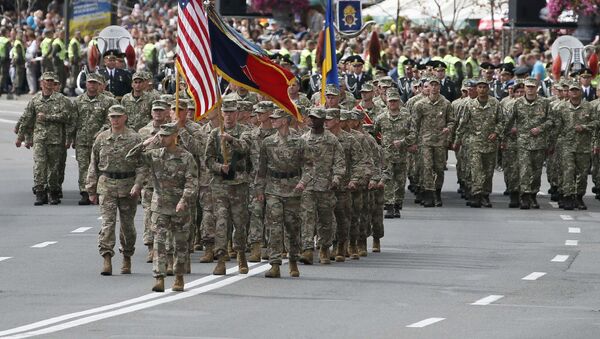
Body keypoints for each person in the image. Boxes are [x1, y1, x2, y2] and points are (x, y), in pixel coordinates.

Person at [127, 122, 198, 292]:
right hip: (159, 206)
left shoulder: (186, 157)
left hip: (179, 206)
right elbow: (130, 158)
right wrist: (145, 143)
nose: (162, 138)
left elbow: (192, 182)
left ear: (175, 136)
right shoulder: (155, 155)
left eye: (166, 135)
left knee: (180, 243)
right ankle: (159, 277)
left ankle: (179, 277)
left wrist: (184, 199)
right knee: (159, 242)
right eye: (161, 135)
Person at [86, 104, 143, 276]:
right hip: (107, 184)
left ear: (125, 117)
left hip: (128, 185)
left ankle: (127, 256)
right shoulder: (102, 138)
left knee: (127, 226)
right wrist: (91, 188)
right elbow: (93, 164)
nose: (115, 120)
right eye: (112, 117)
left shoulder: (134, 138)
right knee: (107, 224)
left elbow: (142, 165)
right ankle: (107, 258)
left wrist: (138, 184)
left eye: (118, 116)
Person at [255, 109, 309, 277]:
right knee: (274, 227)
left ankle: (293, 260)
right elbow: (261, 168)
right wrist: (259, 188)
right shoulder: (268, 142)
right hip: (273, 189)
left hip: (293, 189)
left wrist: (303, 182)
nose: (272, 121)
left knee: (292, 227)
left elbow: (309, 166)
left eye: (276, 118)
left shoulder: (299, 142)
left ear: (285, 120)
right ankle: (275, 264)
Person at [204, 99, 251, 275]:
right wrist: (218, 168)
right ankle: (221, 258)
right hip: (220, 184)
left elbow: (246, 148)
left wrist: (231, 140)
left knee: (240, 222)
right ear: (221, 114)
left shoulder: (244, 132)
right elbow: (207, 159)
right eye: (226, 112)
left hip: (238, 183)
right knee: (221, 221)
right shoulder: (214, 134)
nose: (229, 116)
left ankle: (240, 254)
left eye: (232, 112)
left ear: (237, 114)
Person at [299, 107, 345, 265]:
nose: (312, 120)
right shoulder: (303, 139)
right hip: (308, 186)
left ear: (323, 120)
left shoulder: (331, 140)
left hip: (326, 186)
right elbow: (298, 162)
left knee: (325, 219)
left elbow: (339, 161)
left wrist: (337, 178)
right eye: (310, 117)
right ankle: (307, 249)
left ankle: (324, 247)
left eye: (316, 118)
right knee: (307, 217)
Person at [16, 72, 69, 205]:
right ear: (41, 83)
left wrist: (48, 117)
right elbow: (27, 118)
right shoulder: (35, 100)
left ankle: (53, 192)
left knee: (54, 167)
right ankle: (40, 192)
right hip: (39, 138)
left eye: (51, 81)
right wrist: (20, 137)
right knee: (39, 165)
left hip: (55, 139)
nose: (49, 83)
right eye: (47, 81)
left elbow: (66, 116)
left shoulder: (61, 99)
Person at [454, 78, 503, 208]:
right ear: (476, 89)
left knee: (488, 171)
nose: (482, 89)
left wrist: (496, 133)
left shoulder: (495, 103)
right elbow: (462, 124)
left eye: (484, 87)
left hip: (490, 143)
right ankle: (476, 195)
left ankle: (485, 195)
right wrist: (457, 140)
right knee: (476, 170)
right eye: (479, 87)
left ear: (488, 88)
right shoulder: (469, 105)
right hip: (474, 143)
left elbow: (501, 121)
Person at [504, 78, 552, 209]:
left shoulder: (544, 103)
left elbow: (551, 120)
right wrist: (503, 136)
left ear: (537, 88)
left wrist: (540, 128)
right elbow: (508, 122)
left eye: (533, 87)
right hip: (523, 143)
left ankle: (533, 195)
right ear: (524, 88)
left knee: (536, 172)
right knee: (525, 170)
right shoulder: (517, 103)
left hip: (539, 143)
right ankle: (525, 196)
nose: (530, 89)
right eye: (528, 87)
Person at [72, 73, 118, 205]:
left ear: (99, 85)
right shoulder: (78, 101)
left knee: (100, 166)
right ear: (86, 84)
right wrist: (70, 138)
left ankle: (99, 192)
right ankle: (85, 192)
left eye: (94, 83)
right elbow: (73, 121)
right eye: (89, 82)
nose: (91, 85)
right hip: (82, 140)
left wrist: (101, 132)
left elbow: (111, 120)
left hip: (101, 141)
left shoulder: (108, 101)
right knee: (83, 167)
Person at [408, 77, 455, 207]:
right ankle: (428, 194)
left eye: (436, 85)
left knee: (439, 168)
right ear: (428, 87)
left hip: (440, 141)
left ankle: (437, 193)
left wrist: (449, 128)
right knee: (427, 167)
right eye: (431, 85)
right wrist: (413, 142)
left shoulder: (446, 104)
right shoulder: (420, 105)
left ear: (439, 87)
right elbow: (414, 125)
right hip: (425, 141)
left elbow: (451, 120)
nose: (434, 88)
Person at [553, 81, 599, 210]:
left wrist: (585, 127)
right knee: (568, 172)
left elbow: (596, 122)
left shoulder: (588, 107)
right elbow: (557, 126)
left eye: (576, 90)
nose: (574, 92)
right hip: (566, 145)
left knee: (582, 174)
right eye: (572, 90)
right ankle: (567, 197)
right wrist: (553, 143)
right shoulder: (562, 107)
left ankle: (578, 197)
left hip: (583, 146)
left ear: (581, 92)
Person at [137, 99, 171, 262]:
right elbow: (136, 156)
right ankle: (151, 247)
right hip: (150, 181)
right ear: (151, 113)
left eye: (161, 110)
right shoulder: (143, 132)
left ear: (167, 112)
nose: (157, 113)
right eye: (155, 110)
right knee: (149, 214)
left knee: (168, 216)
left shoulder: (173, 130)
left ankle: (166, 248)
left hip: (170, 181)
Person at [373, 88, 411, 218]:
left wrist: (404, 142)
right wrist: (379, 146)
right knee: (388, 180)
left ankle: (397, 205)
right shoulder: (381, 118)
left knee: (400, 182)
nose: (393, 103)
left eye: (395, 101)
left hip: (402, 154)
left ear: (399, 101)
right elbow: (374, 133)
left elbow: (414, 134)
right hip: (387, 155)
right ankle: (389, 206)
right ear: (387, 102)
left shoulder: (407, 117)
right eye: (390, 101)